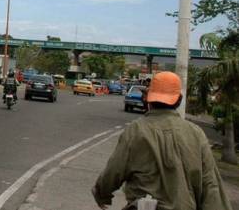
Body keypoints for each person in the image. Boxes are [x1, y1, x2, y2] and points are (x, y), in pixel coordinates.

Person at [92, 71, 232, 210]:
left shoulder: (136, 130)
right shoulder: (196, 134)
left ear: (148, 99)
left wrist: (101, 194)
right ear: (179, 100)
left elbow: (114, 171)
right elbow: (210, 185)